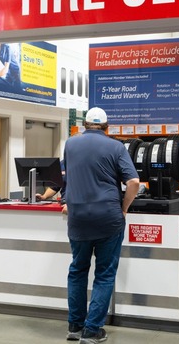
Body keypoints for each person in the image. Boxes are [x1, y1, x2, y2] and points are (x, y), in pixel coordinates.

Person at [63, 107, 139, 343]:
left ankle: (75, 326)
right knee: (104, 274)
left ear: (85, 124)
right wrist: (124, 207)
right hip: (108, 218)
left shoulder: (70, 144)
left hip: (78, 218)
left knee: (77, 270)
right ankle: (92, 330)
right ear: (107, 127)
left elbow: (68, 176)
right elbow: (134, 181)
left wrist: (69, 201)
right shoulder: (115, 146)